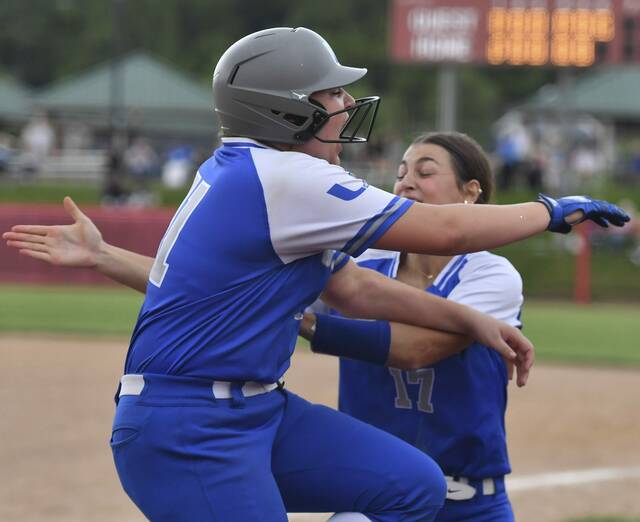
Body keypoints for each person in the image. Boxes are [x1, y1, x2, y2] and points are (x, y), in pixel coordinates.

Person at [2, 27, 629, 522]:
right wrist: (550, 209)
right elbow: (446, 230)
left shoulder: (259, 171)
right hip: (192, 427)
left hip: (252, 410)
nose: (347, 104)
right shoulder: (288, 177)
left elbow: (352, 288)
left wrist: (470, 319)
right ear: (286, 111)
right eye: (330, 94)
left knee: (413, 485)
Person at [301, 132, 527, 521]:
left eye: (425, 172)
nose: (406, 181)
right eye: (402, 172)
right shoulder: (360, 265)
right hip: (376, 496)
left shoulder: (490, 273)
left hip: (469, 504)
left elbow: (417, 348)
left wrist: (304, 325)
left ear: (470, 192)